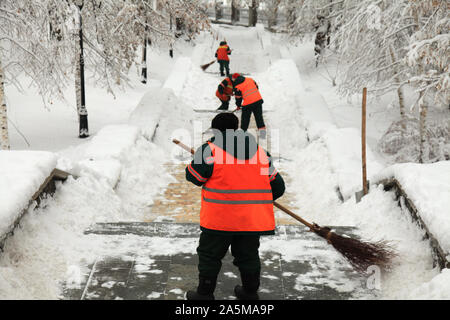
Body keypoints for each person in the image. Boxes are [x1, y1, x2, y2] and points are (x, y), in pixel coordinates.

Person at [185, 113, 285, 300]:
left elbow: (195, 177)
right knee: (248, 255)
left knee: (209, 255)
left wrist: (195, 163)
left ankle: (204, 295)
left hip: (219, 220)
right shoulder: (261, 153)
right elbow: (278, 187)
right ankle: (249, 292)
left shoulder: (209, 151)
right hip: (250, 220)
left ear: (215, 131)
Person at [231, 73, 267, 139]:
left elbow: (238, 98)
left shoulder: (237, 86)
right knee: (259, 118)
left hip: (248, 104)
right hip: (258, 100)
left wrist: (238, 106)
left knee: (245, 120)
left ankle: (243, 135)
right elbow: (256, 87)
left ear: (235, 79)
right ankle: (263, 135)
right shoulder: (250, 79)